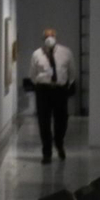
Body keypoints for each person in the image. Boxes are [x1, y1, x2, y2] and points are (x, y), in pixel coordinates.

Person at [29, 27, 75, 163]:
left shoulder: (66, 52)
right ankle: (47, 152)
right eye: (46, 36)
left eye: (52, 36)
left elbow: (72, 72)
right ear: (43, 39)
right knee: (44, 121)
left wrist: (65, 85)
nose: (49, 39)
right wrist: (40, 85)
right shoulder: (37, 54)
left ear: (56, 37)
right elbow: (32, 74)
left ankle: (59, 143)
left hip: (60, 90)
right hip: (43, 90)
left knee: (62, 119)